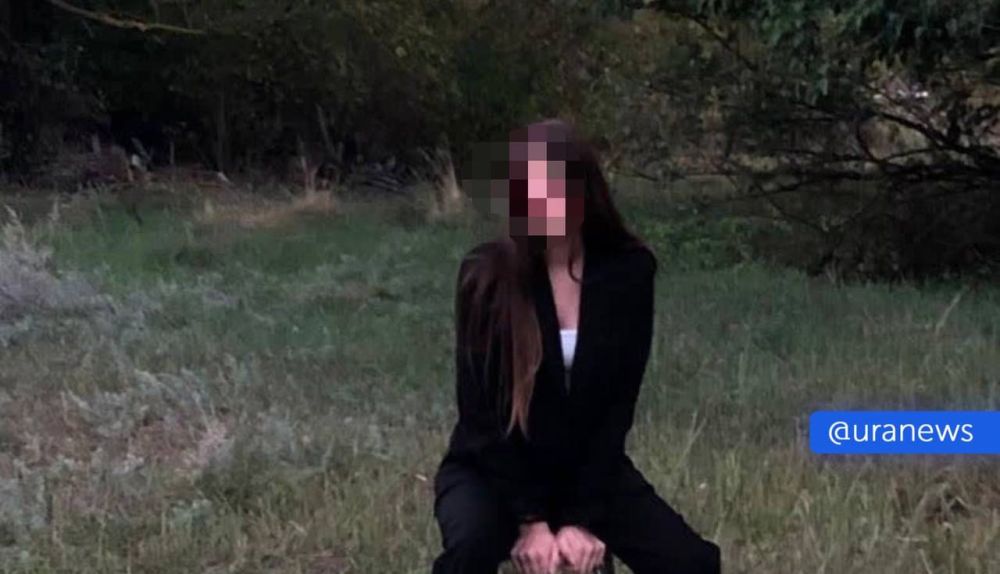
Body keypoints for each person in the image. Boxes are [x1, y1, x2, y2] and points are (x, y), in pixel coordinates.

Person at [431, 118, 720, 574]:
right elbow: (481, 415)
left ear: (585, 192)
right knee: (471, 546)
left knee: (691, 562)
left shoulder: (627, 273)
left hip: (585, 470)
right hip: (493, 470)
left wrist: (582, 518)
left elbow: (617, 407)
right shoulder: (486, 276)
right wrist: (531, 520)